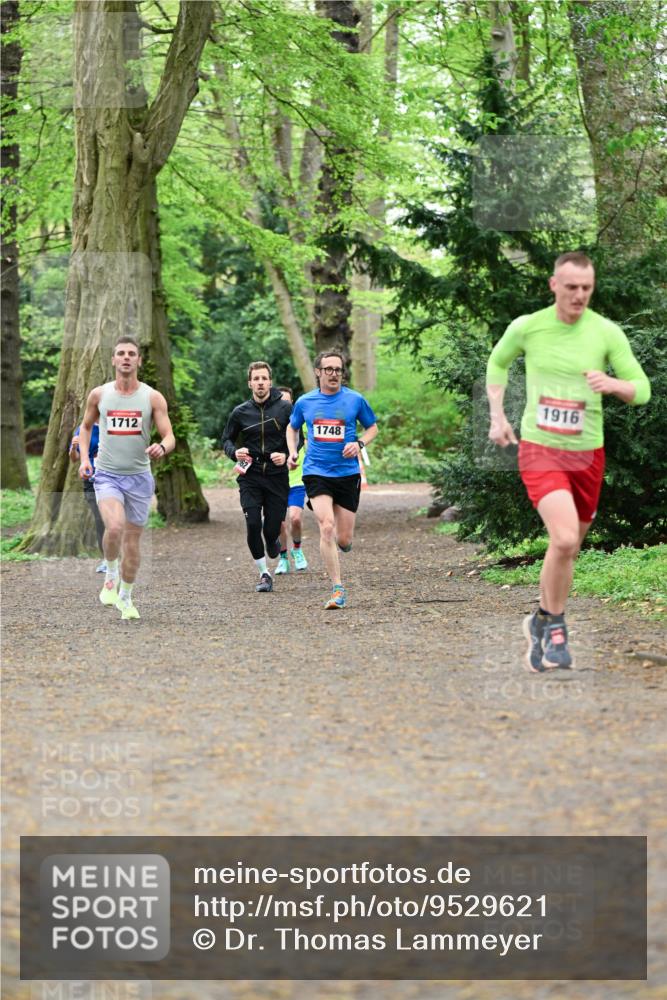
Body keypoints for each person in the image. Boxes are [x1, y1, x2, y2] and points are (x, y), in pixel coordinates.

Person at [486, 251, 651, 671]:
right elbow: (498, 363)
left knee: (569, 548)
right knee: (561, 539)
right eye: (572, 287)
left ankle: (541, 619)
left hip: (587, 454)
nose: (580, 296)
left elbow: (642, 388)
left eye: (587, 288)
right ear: (553, 285)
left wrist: (614, 384)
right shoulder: (528, 327)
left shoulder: (606, 332)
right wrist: (498, 416)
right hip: (541, 448)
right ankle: (557, 627)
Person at [78, 337, 175, 620]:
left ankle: (126, 597)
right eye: (120, 353)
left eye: (131, 354)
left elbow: (169, 436)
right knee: (115, 526)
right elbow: (85, 428)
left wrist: (162, 446)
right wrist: (85, 459)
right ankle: (110, 571)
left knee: (132, 542)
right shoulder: (99, 395)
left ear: (139, 361)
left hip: (139, 478)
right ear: (113, 360)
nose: (126, 358)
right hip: (107, 475)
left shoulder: (152, 397)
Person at [287, 350, 378, 609]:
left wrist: (359, 443)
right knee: (326, 526)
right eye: (328, 369)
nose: (334, 374)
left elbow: (372, 427)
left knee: (344, 539)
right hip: (316, 471)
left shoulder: (355, 400)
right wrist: (293, 451)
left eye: (338, 370)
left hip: (347, 474)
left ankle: (342, 543)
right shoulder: (305, 402)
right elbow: (292, 427)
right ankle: (338, 588)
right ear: (318, 372)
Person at [221, 362, 292, 593]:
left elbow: (297, 437)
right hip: (250, 473)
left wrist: (287, 454)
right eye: (256, 379)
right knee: (252, 523)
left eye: (264, 378)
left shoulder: (285, 409)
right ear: (250, 383)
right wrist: (235, 453)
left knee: (271, 529)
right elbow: (227, 440)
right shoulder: (240, 412)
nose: (260, 382)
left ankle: (273, 542)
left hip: (276, 475)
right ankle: (264, 574)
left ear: (270, 382)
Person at [275, 387, 308, 574]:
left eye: (288, 402)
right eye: (281, 402)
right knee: (279, 523)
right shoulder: (271, 426)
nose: (285, 406)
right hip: (276, 482)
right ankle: (283, 557)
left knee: (295, 518)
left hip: (297, 480)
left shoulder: (302, 424)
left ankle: (297, 550)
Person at [69, 421, 106, 573]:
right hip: (91, 477)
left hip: (113, 475)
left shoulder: (112, 423)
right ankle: (107, 559)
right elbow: (74, 458)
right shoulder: (83, 428)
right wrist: (73, 447)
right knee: (100, 519)